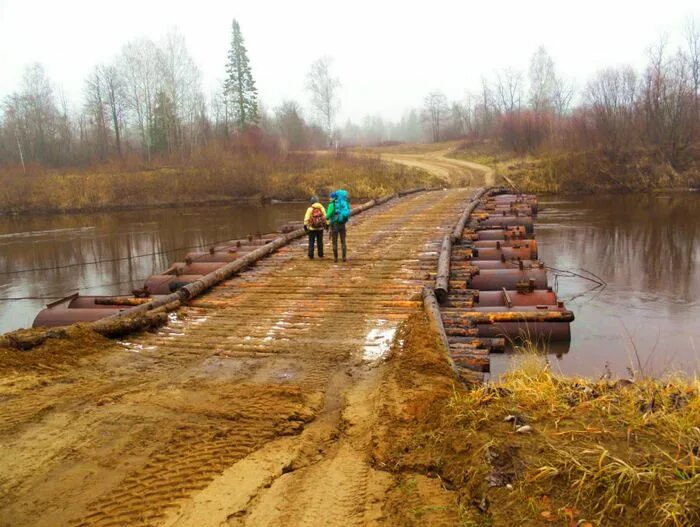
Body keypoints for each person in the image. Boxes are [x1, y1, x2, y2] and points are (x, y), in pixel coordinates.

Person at [326, 189, 351, 262]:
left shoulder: (332, 204)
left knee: (334, 242)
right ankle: (344, 257)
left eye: (330, 197)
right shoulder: (343, 203)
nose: (329, 198)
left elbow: (327, 216)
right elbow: (347, 211)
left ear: (333, 198)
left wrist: (326, 218)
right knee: (343, 241)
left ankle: (335, 258)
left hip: (334, 225)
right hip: (342, 224)